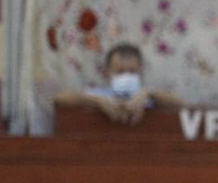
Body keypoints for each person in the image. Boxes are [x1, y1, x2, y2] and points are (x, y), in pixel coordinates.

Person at [53, 42, 183, 125]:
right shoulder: (101, 94)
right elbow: (59, 99)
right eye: (120, 72)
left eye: (132, 72)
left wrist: (148, 94)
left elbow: (180, 103)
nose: (126, 76)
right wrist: (97, 101)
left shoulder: (147, 97)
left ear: (141, 72)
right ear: (108, 73)